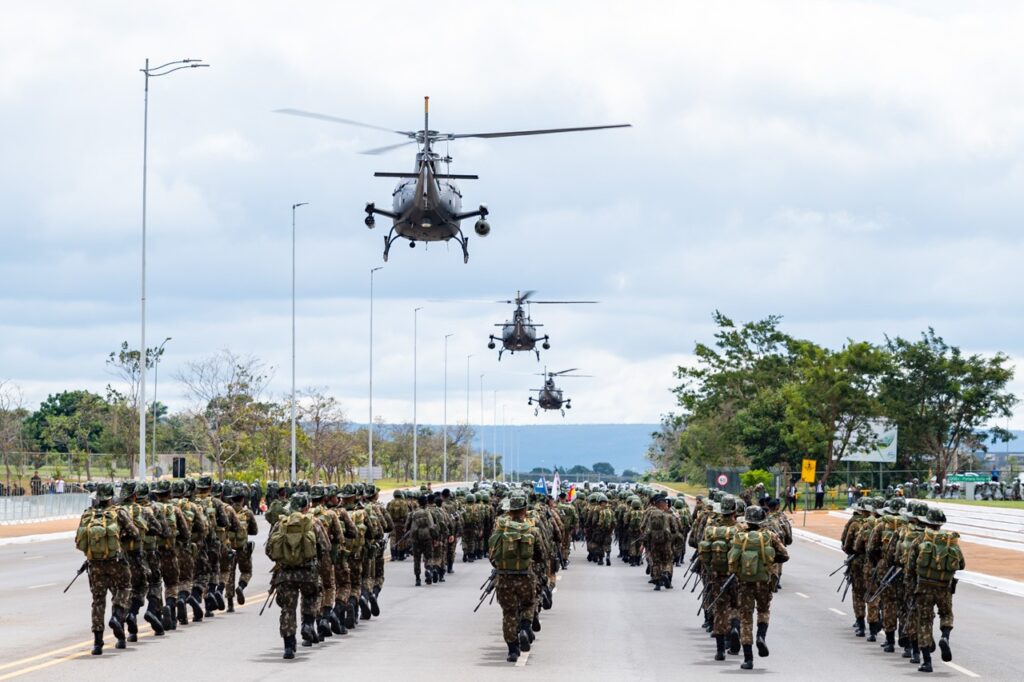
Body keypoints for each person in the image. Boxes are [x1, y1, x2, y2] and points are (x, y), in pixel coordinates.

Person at [74, 482, 138, 655]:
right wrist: (118, 538)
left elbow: (79, 539)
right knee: (124, 589)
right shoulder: (118, 512)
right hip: (117, 561)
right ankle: (117, 618)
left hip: (94, 564)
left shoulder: (88, 514)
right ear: (111, 497)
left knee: (98, 600)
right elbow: (135, 533)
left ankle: (97, 643)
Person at [266, 493, 328, 659]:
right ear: (306, 506)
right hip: (308, 573)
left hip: (285, 575)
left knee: (287, 609)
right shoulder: (313, 522)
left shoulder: (281, 523)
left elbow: (269, 551)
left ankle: (289, 646)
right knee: (313, 595)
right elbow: (325, 546)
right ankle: (308, 624)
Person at [906, 507, 965, 673]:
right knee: (946, 614)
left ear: (927, 521)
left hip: (924, 586)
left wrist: (910, 588)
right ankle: (945, 637)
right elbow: (961, 564)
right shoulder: (950, 541)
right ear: (940, 524)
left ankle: (927, 662)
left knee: (924, 621)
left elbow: (910, 568)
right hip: (944, 587)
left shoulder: (919, 540)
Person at [731, 505, 789, 669]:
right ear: (762, 520)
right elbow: (785, 555)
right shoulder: (770, 536)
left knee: (745, 618)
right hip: (764, 582)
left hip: (744, 583)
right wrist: (769, 561)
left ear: (747, 520)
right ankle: (761, 637)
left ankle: (748, 659)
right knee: (763, 611)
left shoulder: (740, 537)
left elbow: (732, 561)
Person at [490, 491, 543, 663]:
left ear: (510, 509)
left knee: (509, 613)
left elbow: (492, 555)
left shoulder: (500, 529)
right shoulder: (532, 529)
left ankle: (512, 650)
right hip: (526, 576)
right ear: (525, 509)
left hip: (505, 577)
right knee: (528, 604)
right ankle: (525, 628)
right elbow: (541, 554)